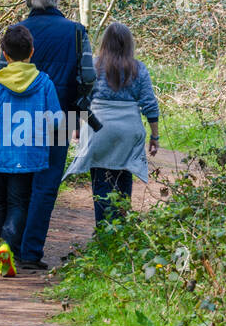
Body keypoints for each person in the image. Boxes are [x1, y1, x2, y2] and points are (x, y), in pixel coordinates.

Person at [0, 0, 94, 269]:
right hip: (62, 117)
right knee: (46, 184)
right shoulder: (77, 33)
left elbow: (3, 75)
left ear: (28, 1)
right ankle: (31, 253)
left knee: (20, 182)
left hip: (18, 118)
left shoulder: (15, 33)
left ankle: (8, 248)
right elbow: (88, 77)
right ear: (56, 0)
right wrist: (81, 113)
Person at [0, 23, 62, 277]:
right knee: (20, 203)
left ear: (5, 54)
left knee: (0, 203)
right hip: (29, 154)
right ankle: (7, 248)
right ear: (32, 51)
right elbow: (56, 121)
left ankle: (0, 252)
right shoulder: (44, 83)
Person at [63, 21, 160, 224]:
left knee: (100, 179)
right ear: (129, 44)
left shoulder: (95, 66)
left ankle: (103, 232)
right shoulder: (138, 69)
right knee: (124, 177)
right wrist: (154, 136)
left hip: (98, 127)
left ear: (105, 42)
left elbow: (81, 98)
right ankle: (121, 231)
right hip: (129, 130)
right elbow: (149, 104)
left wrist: (78, 129)